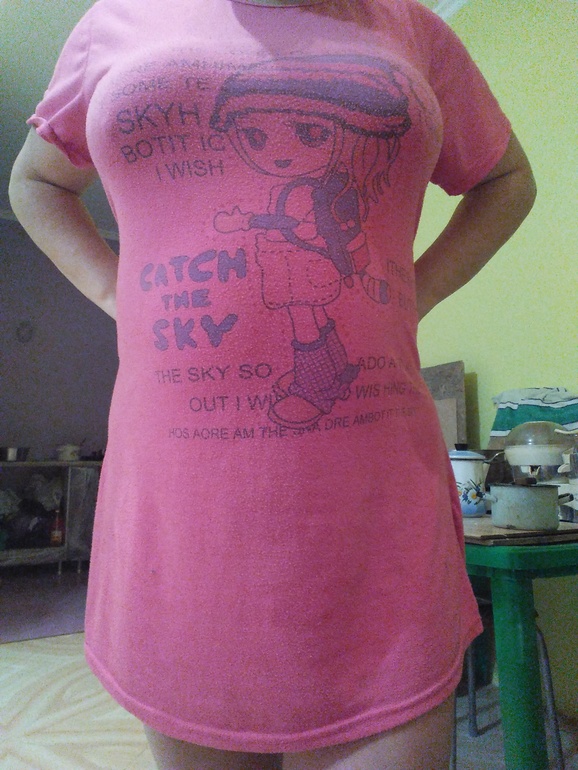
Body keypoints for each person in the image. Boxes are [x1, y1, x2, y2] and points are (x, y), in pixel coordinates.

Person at [9, 0, 536, 767]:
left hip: (372, 507)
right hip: (181, 512)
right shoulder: (114, 21)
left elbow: (507, 179)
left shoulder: (415, 29)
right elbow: (36, 181)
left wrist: (414, 294)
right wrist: (114, 294)